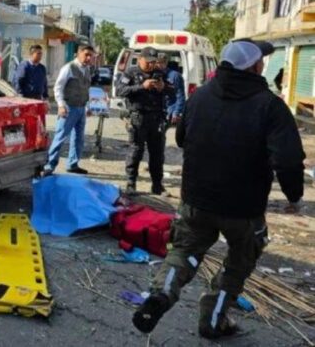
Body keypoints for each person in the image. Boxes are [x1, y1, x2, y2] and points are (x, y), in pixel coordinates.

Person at [132, 40, 305, 340]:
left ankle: (161, 294)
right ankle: (212, 320)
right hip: (243, 207)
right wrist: (294, 195)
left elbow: (182, 139)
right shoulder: (269, 105)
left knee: (185, 250)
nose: (263, 64)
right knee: (239, 262)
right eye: (261, 60)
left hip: (197, 199)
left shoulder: (200, 97)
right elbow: (288, 159)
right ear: (253, 66)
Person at [115, 47, 174, 195]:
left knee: (157, 153)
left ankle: (157, 185)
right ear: (140, 59)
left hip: (156, 118)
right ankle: (131, 183)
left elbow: (173, 91)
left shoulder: (159, 74)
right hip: (138, 117)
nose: (150, 65)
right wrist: (142, 86)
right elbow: (120, 90)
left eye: (153, 62)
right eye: (148, 62)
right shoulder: (131, 73)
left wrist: (164, 87)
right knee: (135, 151)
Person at [42, 45, 96, 176]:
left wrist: (87, 106)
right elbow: (58, 88)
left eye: (91, 55)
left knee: (78, 138)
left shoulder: (87, 70)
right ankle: (49, 165)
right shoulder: (69, 68)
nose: (89, 58)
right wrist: (61, 105)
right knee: (60, 137)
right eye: (86, 54)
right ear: (78, 53)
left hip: (81, 108)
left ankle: (73, 164)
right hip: (68, 108)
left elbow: (86, 89)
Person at [156, 54, 185, 126]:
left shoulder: (175, 75)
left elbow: (180, 95)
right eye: (157, 63)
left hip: (169, 109)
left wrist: (176, 112)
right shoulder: (152, 74)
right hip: (156, 109)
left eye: (161, 62)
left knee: (161, 132)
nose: (158, 65)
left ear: (166, 63)